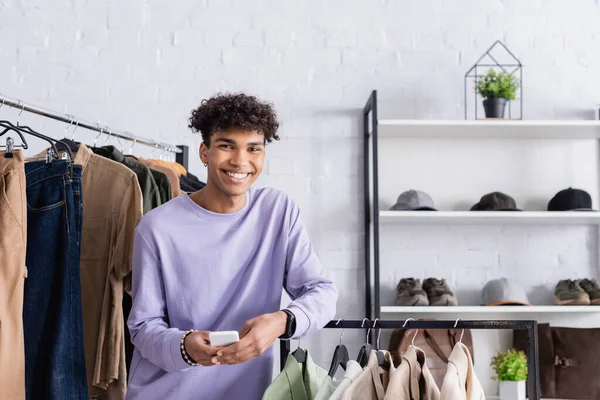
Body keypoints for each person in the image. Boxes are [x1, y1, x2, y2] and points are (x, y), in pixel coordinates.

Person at [125, 93, 338, 399]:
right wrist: (184, 347)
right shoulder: (156, 228)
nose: (240, 161)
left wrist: (282, 322)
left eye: (253, 149)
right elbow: (143, 327)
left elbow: (322, 291)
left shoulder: (277, 212)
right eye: (227, 146)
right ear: (204, 152)